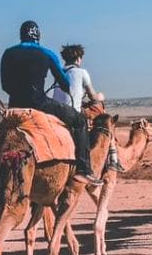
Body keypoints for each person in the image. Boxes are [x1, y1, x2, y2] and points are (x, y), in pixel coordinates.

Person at [0, 21, 96, 183]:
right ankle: (83, 169)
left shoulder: (7, 53)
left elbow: (5, 86)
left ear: (21, 34)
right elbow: (66, 84)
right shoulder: (47, 53)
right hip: (39, 103)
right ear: (38, 35)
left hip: (15, 105)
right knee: (79, 121)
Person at [52, 43, 124, 173]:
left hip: (55, 111)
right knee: (103, 113)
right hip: (72, 112)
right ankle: (112, 158)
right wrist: (101, 96)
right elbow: (93, 96)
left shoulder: (59, 73)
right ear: (79, 58)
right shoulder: (81, 72)